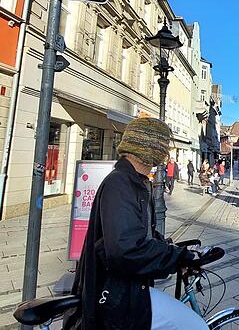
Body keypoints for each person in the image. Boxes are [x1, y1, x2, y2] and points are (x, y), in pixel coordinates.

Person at [66, 117, 206, 330]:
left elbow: (142, 234)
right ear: (150, 147)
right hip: (119, 298)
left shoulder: (136, 182)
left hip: (130, 289)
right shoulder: (120, 184)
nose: (165, 153)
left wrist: (171, 251)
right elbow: (127, 249)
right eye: (163, 146)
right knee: (196, 326)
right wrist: (179, 257)